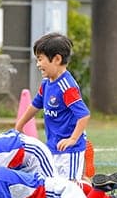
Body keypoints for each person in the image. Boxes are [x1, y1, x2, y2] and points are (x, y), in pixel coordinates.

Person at [15, 33, 90, 182]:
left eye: (40, 59)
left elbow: (84, 115)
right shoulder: (46, 83)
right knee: (55, 186)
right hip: (53, 146)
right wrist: (19, 125)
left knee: (71, 188)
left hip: (70, 151)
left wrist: (72, 139)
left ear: (56, 59)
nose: (38, 64)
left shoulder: (66, 86)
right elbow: (35, 104)